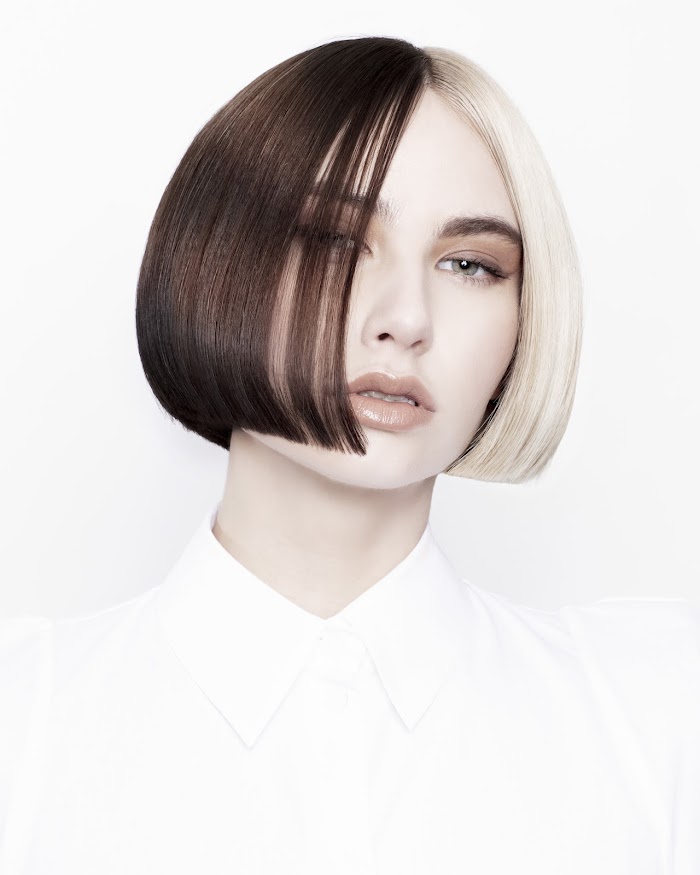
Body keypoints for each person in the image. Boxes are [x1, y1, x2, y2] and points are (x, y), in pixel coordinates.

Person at [1, 35, 698, 875]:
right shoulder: (25, 725)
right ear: (216, 260)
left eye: (470, 264)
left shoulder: (654, 716)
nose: (406, 319)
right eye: (336, 242)